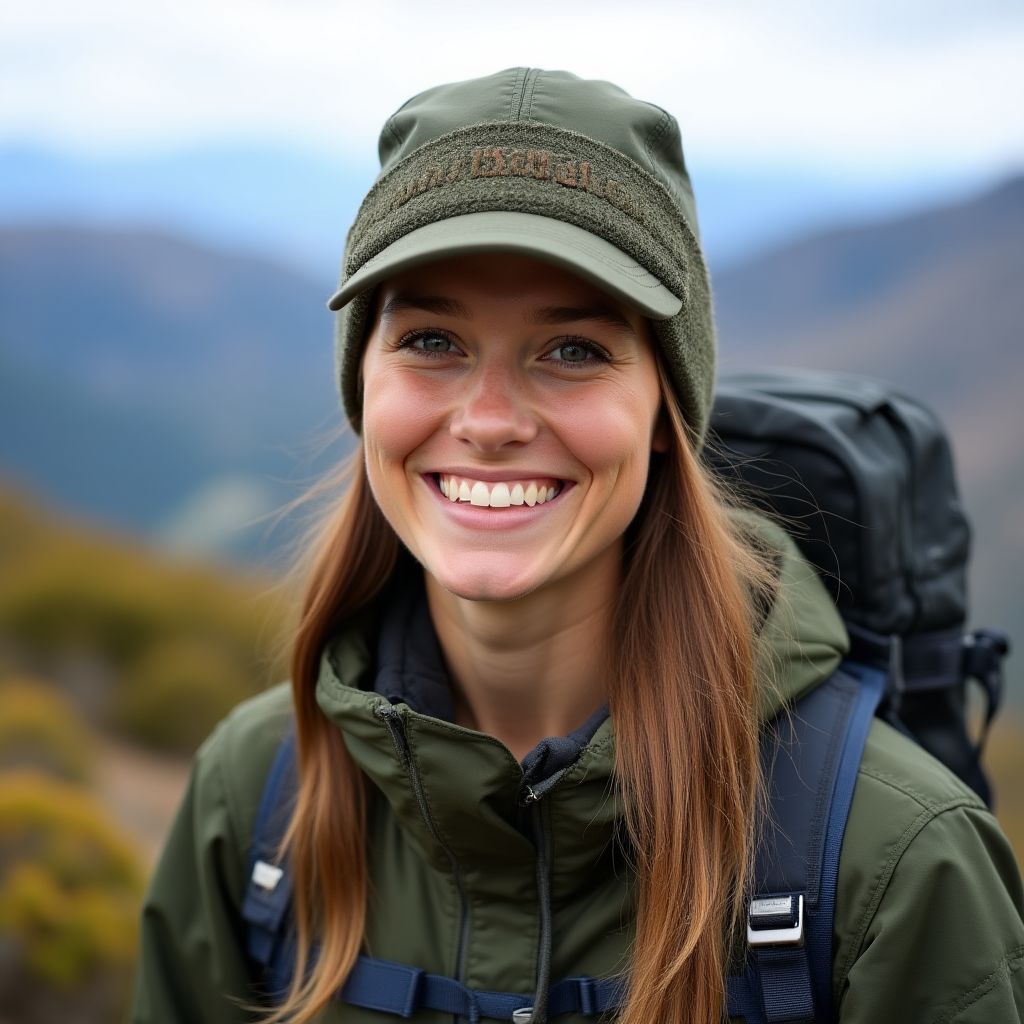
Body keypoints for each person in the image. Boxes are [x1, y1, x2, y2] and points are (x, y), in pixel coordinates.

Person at [130, 68, 1024, 1024]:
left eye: (574, 351)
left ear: (662, 413)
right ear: (364, 386)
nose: (490, 420)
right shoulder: (259, 796)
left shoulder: (893, 860)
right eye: (432, 339)